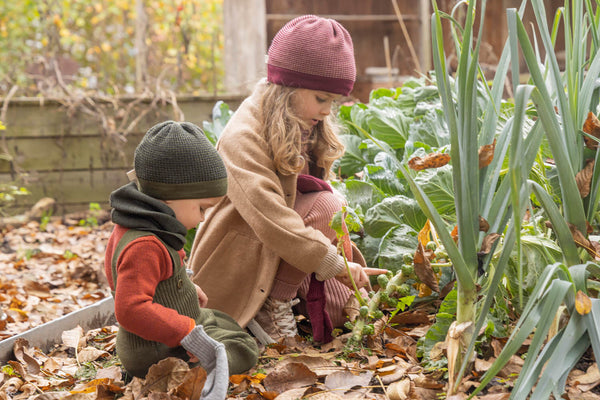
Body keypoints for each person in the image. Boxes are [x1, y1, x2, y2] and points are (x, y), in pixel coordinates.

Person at [188, 15, 386, 344]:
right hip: (241, 250)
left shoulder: (302, 122)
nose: (326, 111)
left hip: (283, 246)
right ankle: (271, 304)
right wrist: (333, 264)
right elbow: (271, 218)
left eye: (333, 102)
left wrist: (342, 265)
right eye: (321, 99)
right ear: (287, 86)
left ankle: (285, 294)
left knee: (337, 314)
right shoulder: (243, 135)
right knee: (326, 205)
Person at [104, 121, 259, 399]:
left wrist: (186, 285)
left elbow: (161, 276)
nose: (201, 218)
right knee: (242, 347)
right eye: (201, 208)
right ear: (170, 197)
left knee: (225, 322)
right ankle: (190, 373)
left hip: (169, 329)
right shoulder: (144, 245)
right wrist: (186, 331)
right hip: (155, 347)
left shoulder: (145, 224)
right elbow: (129, 308)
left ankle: (196, 351)